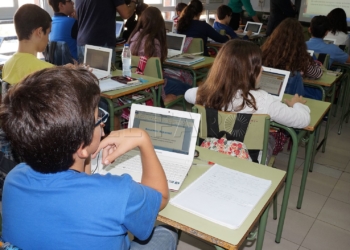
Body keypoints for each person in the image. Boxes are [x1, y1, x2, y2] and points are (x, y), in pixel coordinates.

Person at [0, 66, 177, 249]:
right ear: (81, 148)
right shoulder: (118, 192)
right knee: (167, 231)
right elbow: (161, 197)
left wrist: (86, 150)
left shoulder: (14, 178)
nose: (103, 125)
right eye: (99, 119)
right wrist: (142, 138)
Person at [185, 39, 310, 129]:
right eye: (258, 66)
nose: (262, 69)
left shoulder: (203, 93)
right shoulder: (263, 101)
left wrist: (208, 87)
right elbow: (303, 120)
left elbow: (187, 94)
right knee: (275, 137)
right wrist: (297, 105)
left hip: (212, 149)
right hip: (248, 157)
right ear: (249, 72)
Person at [128, 7, 191, 101]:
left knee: (175, 81)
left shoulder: (133, 38)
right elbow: (157, 78)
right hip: (154, 86)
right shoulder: (153, 43)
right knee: (188, 88)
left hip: (138, 82)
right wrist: (162, 98)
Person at [261, 18, 323, 99]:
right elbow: (317, 73)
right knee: (318, 92)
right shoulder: (300, 58)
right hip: (291, 99)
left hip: (266, 96)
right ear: (300, 39)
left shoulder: (265, 52)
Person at [2, 4, 53, 86]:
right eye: (47, 33)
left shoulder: (7, 66)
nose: (48, 39)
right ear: (39, 32)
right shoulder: (47, 71)